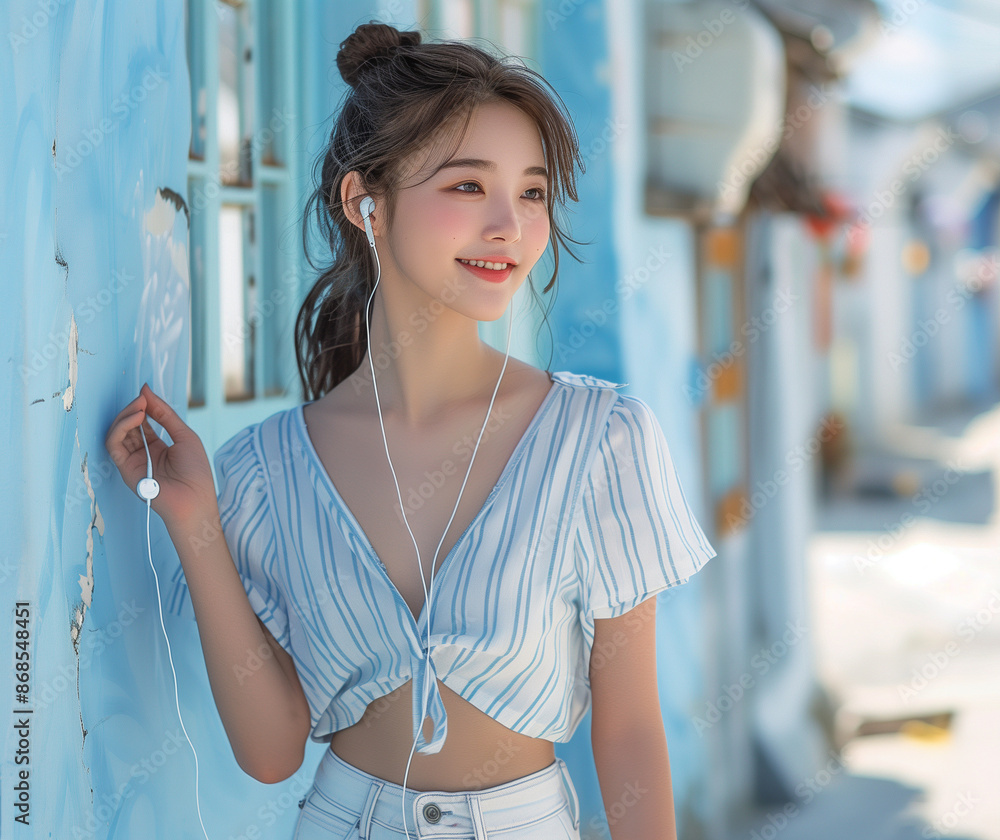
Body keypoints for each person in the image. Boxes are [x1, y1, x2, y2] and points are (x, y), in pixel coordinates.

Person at [105, 20, 717, 840]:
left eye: (531, 192)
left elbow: (631, 725)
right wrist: (196, 525)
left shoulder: (599, 439)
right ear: (366, 203)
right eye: (468, 187)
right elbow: (272, 749)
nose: (509, 224)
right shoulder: (268, 469)